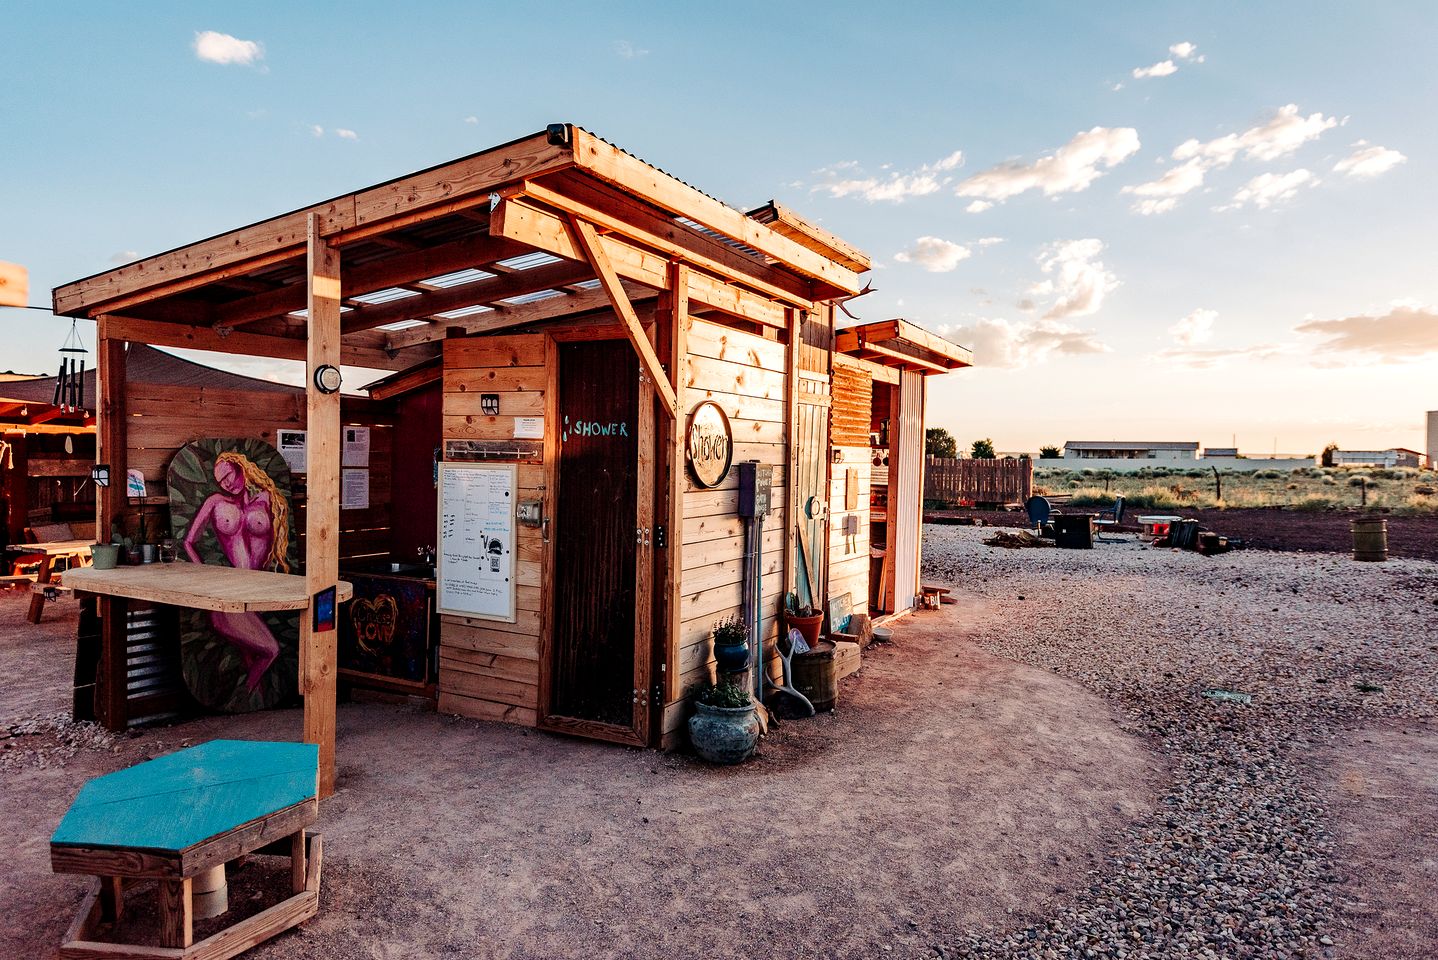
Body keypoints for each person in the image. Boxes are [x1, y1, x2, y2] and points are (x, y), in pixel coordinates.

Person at [183, 452, 290, 692]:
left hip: (258, 592)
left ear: (239, 467)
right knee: (270, 651)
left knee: (256, 658)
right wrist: (204, 576)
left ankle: (250, 700)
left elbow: (279, 543)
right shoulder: (215, 502)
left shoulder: (267, 498)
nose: (227, 484)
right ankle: (247, 696)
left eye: (228, 475)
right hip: (231, 594)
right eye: (221, 481)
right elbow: (189, 542)